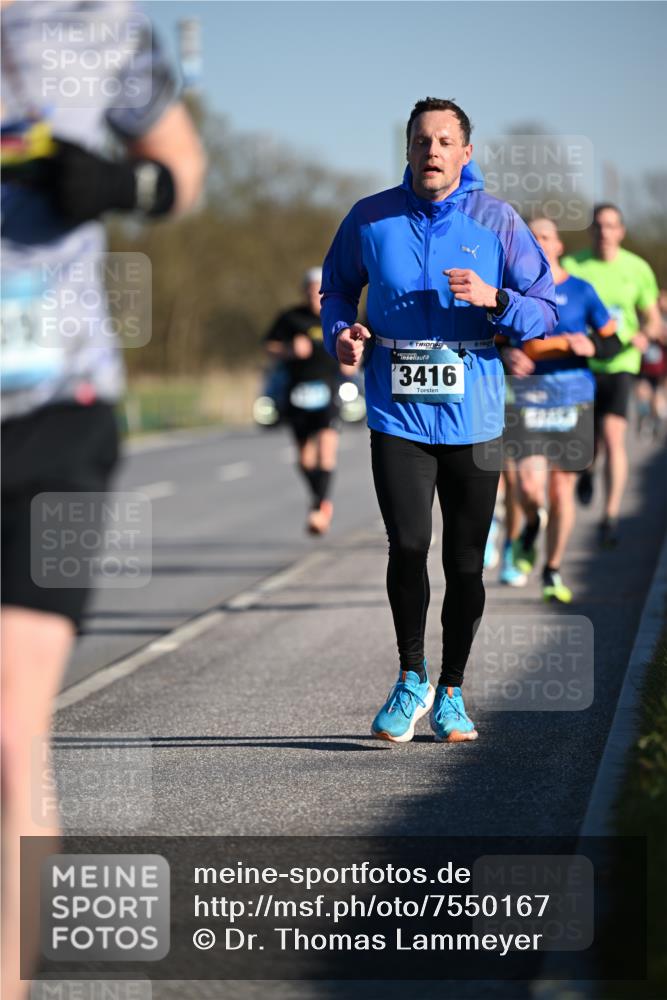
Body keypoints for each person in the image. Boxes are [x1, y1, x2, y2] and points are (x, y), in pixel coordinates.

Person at [0, 4, 206, 997]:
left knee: (7, 730)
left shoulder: (97, 24)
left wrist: (122, 183)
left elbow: (184, 173)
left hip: (55, 411)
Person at [321, 97, 557, 744]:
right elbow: (336, 289)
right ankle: (409, 678)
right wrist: (341, 333)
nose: (432, 151)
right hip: (396, 410)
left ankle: (451, 691)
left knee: (462, 564)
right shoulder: (370, 218)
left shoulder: (496, 221)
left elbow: (545, 308)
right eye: (421, 140)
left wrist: (496, 299)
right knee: (407, 545)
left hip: (474, 413)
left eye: (445, 141)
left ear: (464, 153)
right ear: (407, 148)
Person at [499, 217, 618, 603]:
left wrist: (593, 348)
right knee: (529, 487)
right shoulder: (513, 291)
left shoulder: (582, 291)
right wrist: (508, 354)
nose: (538, 242)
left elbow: (612, 343)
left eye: (545, 236)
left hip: (573, 399)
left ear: (559, 246)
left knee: (561, 487)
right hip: (529, 398)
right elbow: (495, 340)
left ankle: (551, 569)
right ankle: (533, 523)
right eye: (530, 237)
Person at [561, 205, 661, 547]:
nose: (604, 232)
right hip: (580, 365)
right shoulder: (574, 266)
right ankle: (587, 470)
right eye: (599, 226)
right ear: (591, 231)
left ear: (621, 231)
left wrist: (645, 336)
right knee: (587, 444)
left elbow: (651, 317)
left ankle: (610, 516)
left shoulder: (637, 268)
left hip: (621, 363)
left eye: (611, 226)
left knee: (614, 438)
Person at [264, 267, 354, 535]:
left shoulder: (335, 317)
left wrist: (350, 362)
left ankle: (319, 506)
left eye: (319, 290)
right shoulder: (290, 318)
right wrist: (289, 349)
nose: (314, 295)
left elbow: (354, 346)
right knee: (304, 459)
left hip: (328, 390)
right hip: (297, 391)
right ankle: (319, 500)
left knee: (326, 449)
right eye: (309, 290)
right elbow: (268, 345)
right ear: (304, 292)